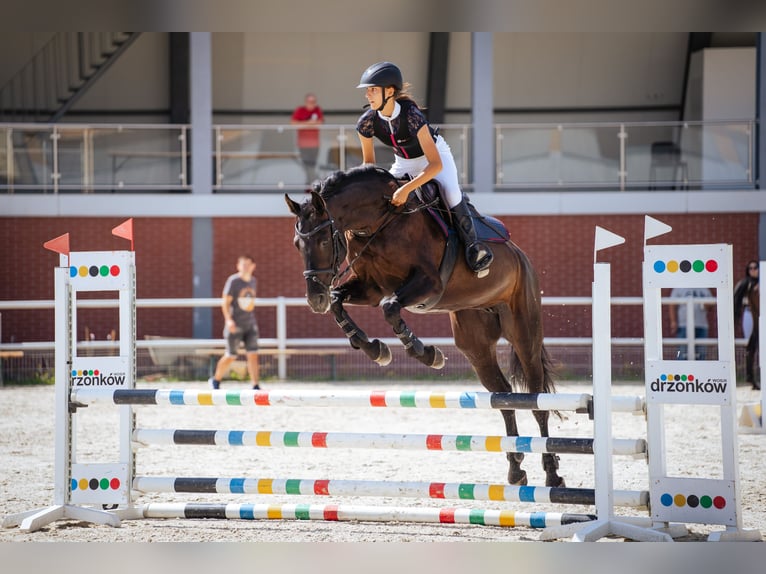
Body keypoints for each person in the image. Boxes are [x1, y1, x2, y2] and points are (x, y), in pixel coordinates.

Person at [355, 61, 493, 274]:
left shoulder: (411, 115)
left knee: (451, 193)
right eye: (368, 90)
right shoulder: (366, 123)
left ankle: (474, 247)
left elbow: (436, 165)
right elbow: (369, 165)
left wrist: (406, 188)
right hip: (403, 161)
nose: (368, 95)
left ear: (389, 91)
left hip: (434, 158)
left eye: (373, 90)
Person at [209, 255, 260, 390]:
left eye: (248, 264)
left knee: (253, 354)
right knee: (231, 355)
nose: (245, 267)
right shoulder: (233, 281)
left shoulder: (253, 281)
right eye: (243, 264)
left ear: (253, 266)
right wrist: (228, 320)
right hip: (235, 324)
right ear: (238, 266)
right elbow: (225, 302)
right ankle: (216, 379)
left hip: (250, 323)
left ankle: (255, 385)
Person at [668, 286, 713, 360]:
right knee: (682, 352)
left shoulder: (704, 289)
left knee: (701, 353)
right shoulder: (679, 288)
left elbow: (711, 305)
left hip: (701, 325)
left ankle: (699, 370)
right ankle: (681, 370)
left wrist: (707, 305)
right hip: (683, 326)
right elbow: (672, 305)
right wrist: (673, 321)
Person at [734, 260, 759, 387]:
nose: (753, 270)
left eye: (755, 267)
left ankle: (752, 376)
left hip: (756, 315)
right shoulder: (747, 283)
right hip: (750, 315)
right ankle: (750, 375)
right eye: (750, 268)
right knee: (751, 345)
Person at [291, 93, 324, 183]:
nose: (312, 103)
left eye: (313, 102)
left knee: (312, 165)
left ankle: (310, 184)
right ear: (306, 102)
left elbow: (319, 123)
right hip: (303, 144)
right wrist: (310, 123)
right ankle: (310, 184)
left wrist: (304, 124)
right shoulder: (300, 110)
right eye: (310, 101)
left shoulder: (317, 110)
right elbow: (294, 123)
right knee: (306, 166)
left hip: (315, 144)